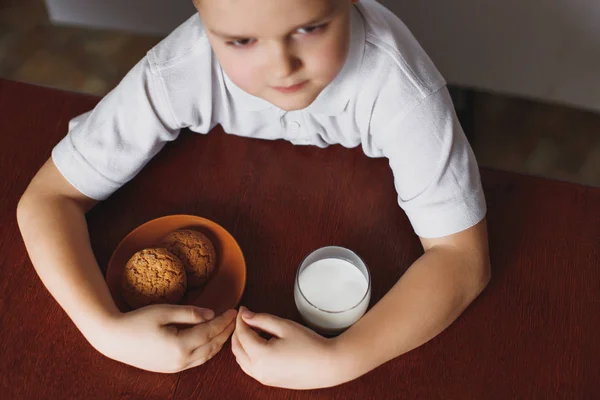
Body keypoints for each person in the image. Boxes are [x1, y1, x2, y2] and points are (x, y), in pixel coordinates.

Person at [17, 0, 490, 390]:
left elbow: (462, 258)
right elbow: (47, 199)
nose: (281, 67)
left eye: (311, 28)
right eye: (241, 41)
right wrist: (105, 330)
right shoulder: (186, 65)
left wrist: (341, 359)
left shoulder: (400, 88)